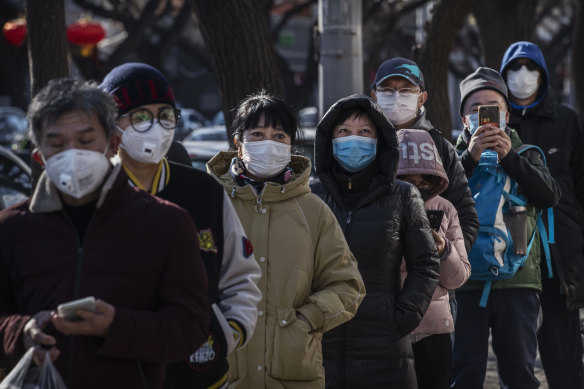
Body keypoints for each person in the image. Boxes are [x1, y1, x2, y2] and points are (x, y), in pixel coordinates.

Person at [0, 78, 210, 388]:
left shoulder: (166, 223)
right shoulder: (12, 228)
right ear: (39, 156)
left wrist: (116, 326)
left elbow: (189, 328)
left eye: (85, 141)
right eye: (57, 144)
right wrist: (22, 332)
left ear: (112, 144)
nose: (72, 154)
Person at [99, 62, 262, 389]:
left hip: (200, 373)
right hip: (115, 373)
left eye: (165, 115)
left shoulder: (204, 192)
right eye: (140, 116)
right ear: (112, 125)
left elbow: (241, 274)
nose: (156, 126)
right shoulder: (95, 196)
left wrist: (229, 331)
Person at [206, 91, 365, 389]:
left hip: (293, 374)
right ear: (239, 144)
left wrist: (306, 320)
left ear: (291, 144)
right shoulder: (210, 204)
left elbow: (348, 285)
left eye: (279, 135)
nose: (269, 143)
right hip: (223, 372)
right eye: (257, 134)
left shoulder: (313, 210)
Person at [311, 94, 440, 388]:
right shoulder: (311, 197)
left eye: (364, 132)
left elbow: (426, 264)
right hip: (322, 346)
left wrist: (402, 317)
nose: (353, 140)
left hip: (386, 353)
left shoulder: (404, 196)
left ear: (379, 140)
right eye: (343, 132)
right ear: (329, 140)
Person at [451, 67, 561, 388]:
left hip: (518, 279)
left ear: (506, 116)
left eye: (493, 108)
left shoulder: (525, 154)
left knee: (519, 374)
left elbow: (549, 195)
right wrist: (469, 158)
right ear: (464, 120)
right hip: (464, 280)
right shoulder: (451, 156)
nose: (484, 115)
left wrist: (510, 157)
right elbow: (437, 197)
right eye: (475, 109)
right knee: (464, 373)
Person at [500, 41, 584, 389]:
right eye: (515, 68)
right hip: (510, 252)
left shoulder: (565, 121)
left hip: (557, 255)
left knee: (564, 354)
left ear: (543, 74)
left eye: (530, 67)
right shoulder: (494, 124)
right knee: (514, 358)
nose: (523, 75)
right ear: (504, 76)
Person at [371, 57, 478, 253]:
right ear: (374, 96)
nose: (396, 97)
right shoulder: (364, 143)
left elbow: (466, 216)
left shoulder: (439, 147)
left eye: (406, 90)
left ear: (422, 98)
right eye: (387, 89)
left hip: (425, 274)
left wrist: (446, 256)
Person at [396, 129, 470, 389]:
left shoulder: (445, 209)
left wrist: (442, 250)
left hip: (435, 330)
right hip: (392, 327)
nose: (415, 190)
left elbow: (459, 277)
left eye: (424, 183)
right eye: (405, 181)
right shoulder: (381, 205)